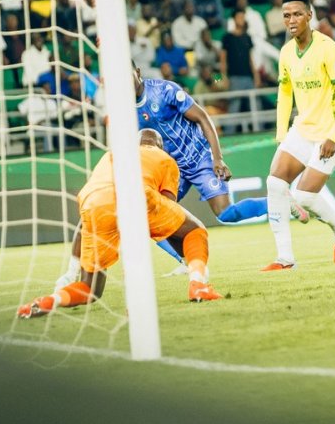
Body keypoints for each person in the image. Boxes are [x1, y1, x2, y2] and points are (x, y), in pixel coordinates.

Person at [55, 66, 281, 289]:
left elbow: (202, 117)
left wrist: (217, 158)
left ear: (138, 72)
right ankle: (186, 261)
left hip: (199, 156)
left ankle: (280, 202)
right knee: (151, 216)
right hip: (170, 168)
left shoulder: (164, 90)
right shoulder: (124, 112)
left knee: (226, 213)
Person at [18, 129, 222, 316]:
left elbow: (84, 222)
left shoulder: (110, 155)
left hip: (92, 204)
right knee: (194, 230)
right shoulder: (165, 158)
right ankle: (198, 284)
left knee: (90, 288)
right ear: (160, 145)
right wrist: (184, 254)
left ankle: (49, 301)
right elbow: (168, 210)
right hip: (137, 196)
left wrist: (72, 269)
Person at [263, 0, 335, 271]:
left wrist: (333, 136)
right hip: (302, 129)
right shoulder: (286, 52)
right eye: (286, 16)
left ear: (309, 15)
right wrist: (282, 134)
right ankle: (285, 258)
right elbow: (285, 92)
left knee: (304, 197)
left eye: (297, 14)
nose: (291, 20)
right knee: (275, 184)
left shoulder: (329, 49)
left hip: (333, 132)